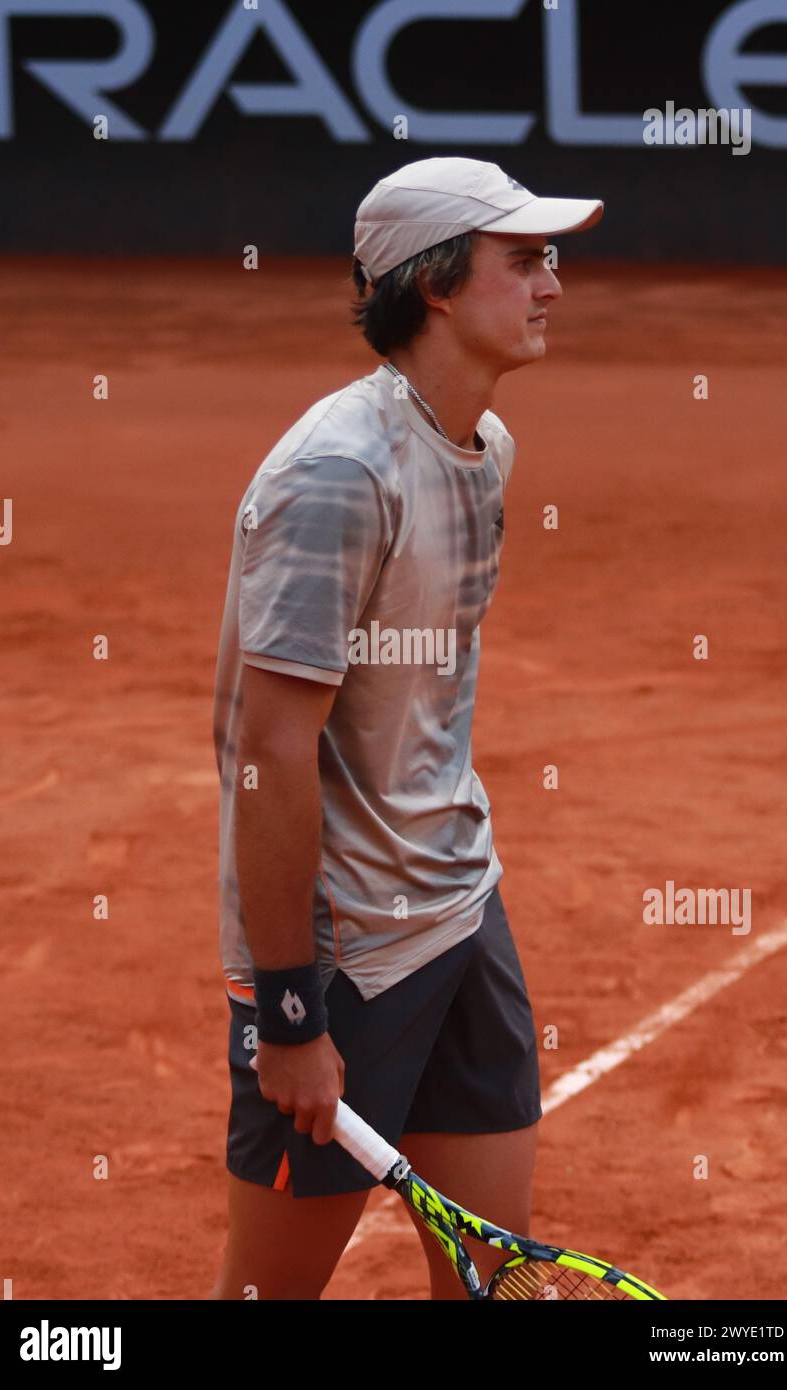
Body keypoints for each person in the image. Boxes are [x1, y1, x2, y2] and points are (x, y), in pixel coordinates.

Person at [210, 157, 604, 1300]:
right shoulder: (338, 474)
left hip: (461, 911)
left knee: (492, 1281)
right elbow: (266, 751)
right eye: (524, 261)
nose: (554, 286)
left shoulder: (487, 450)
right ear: (435, 283)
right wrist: (289, 1011)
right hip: (347, 960)